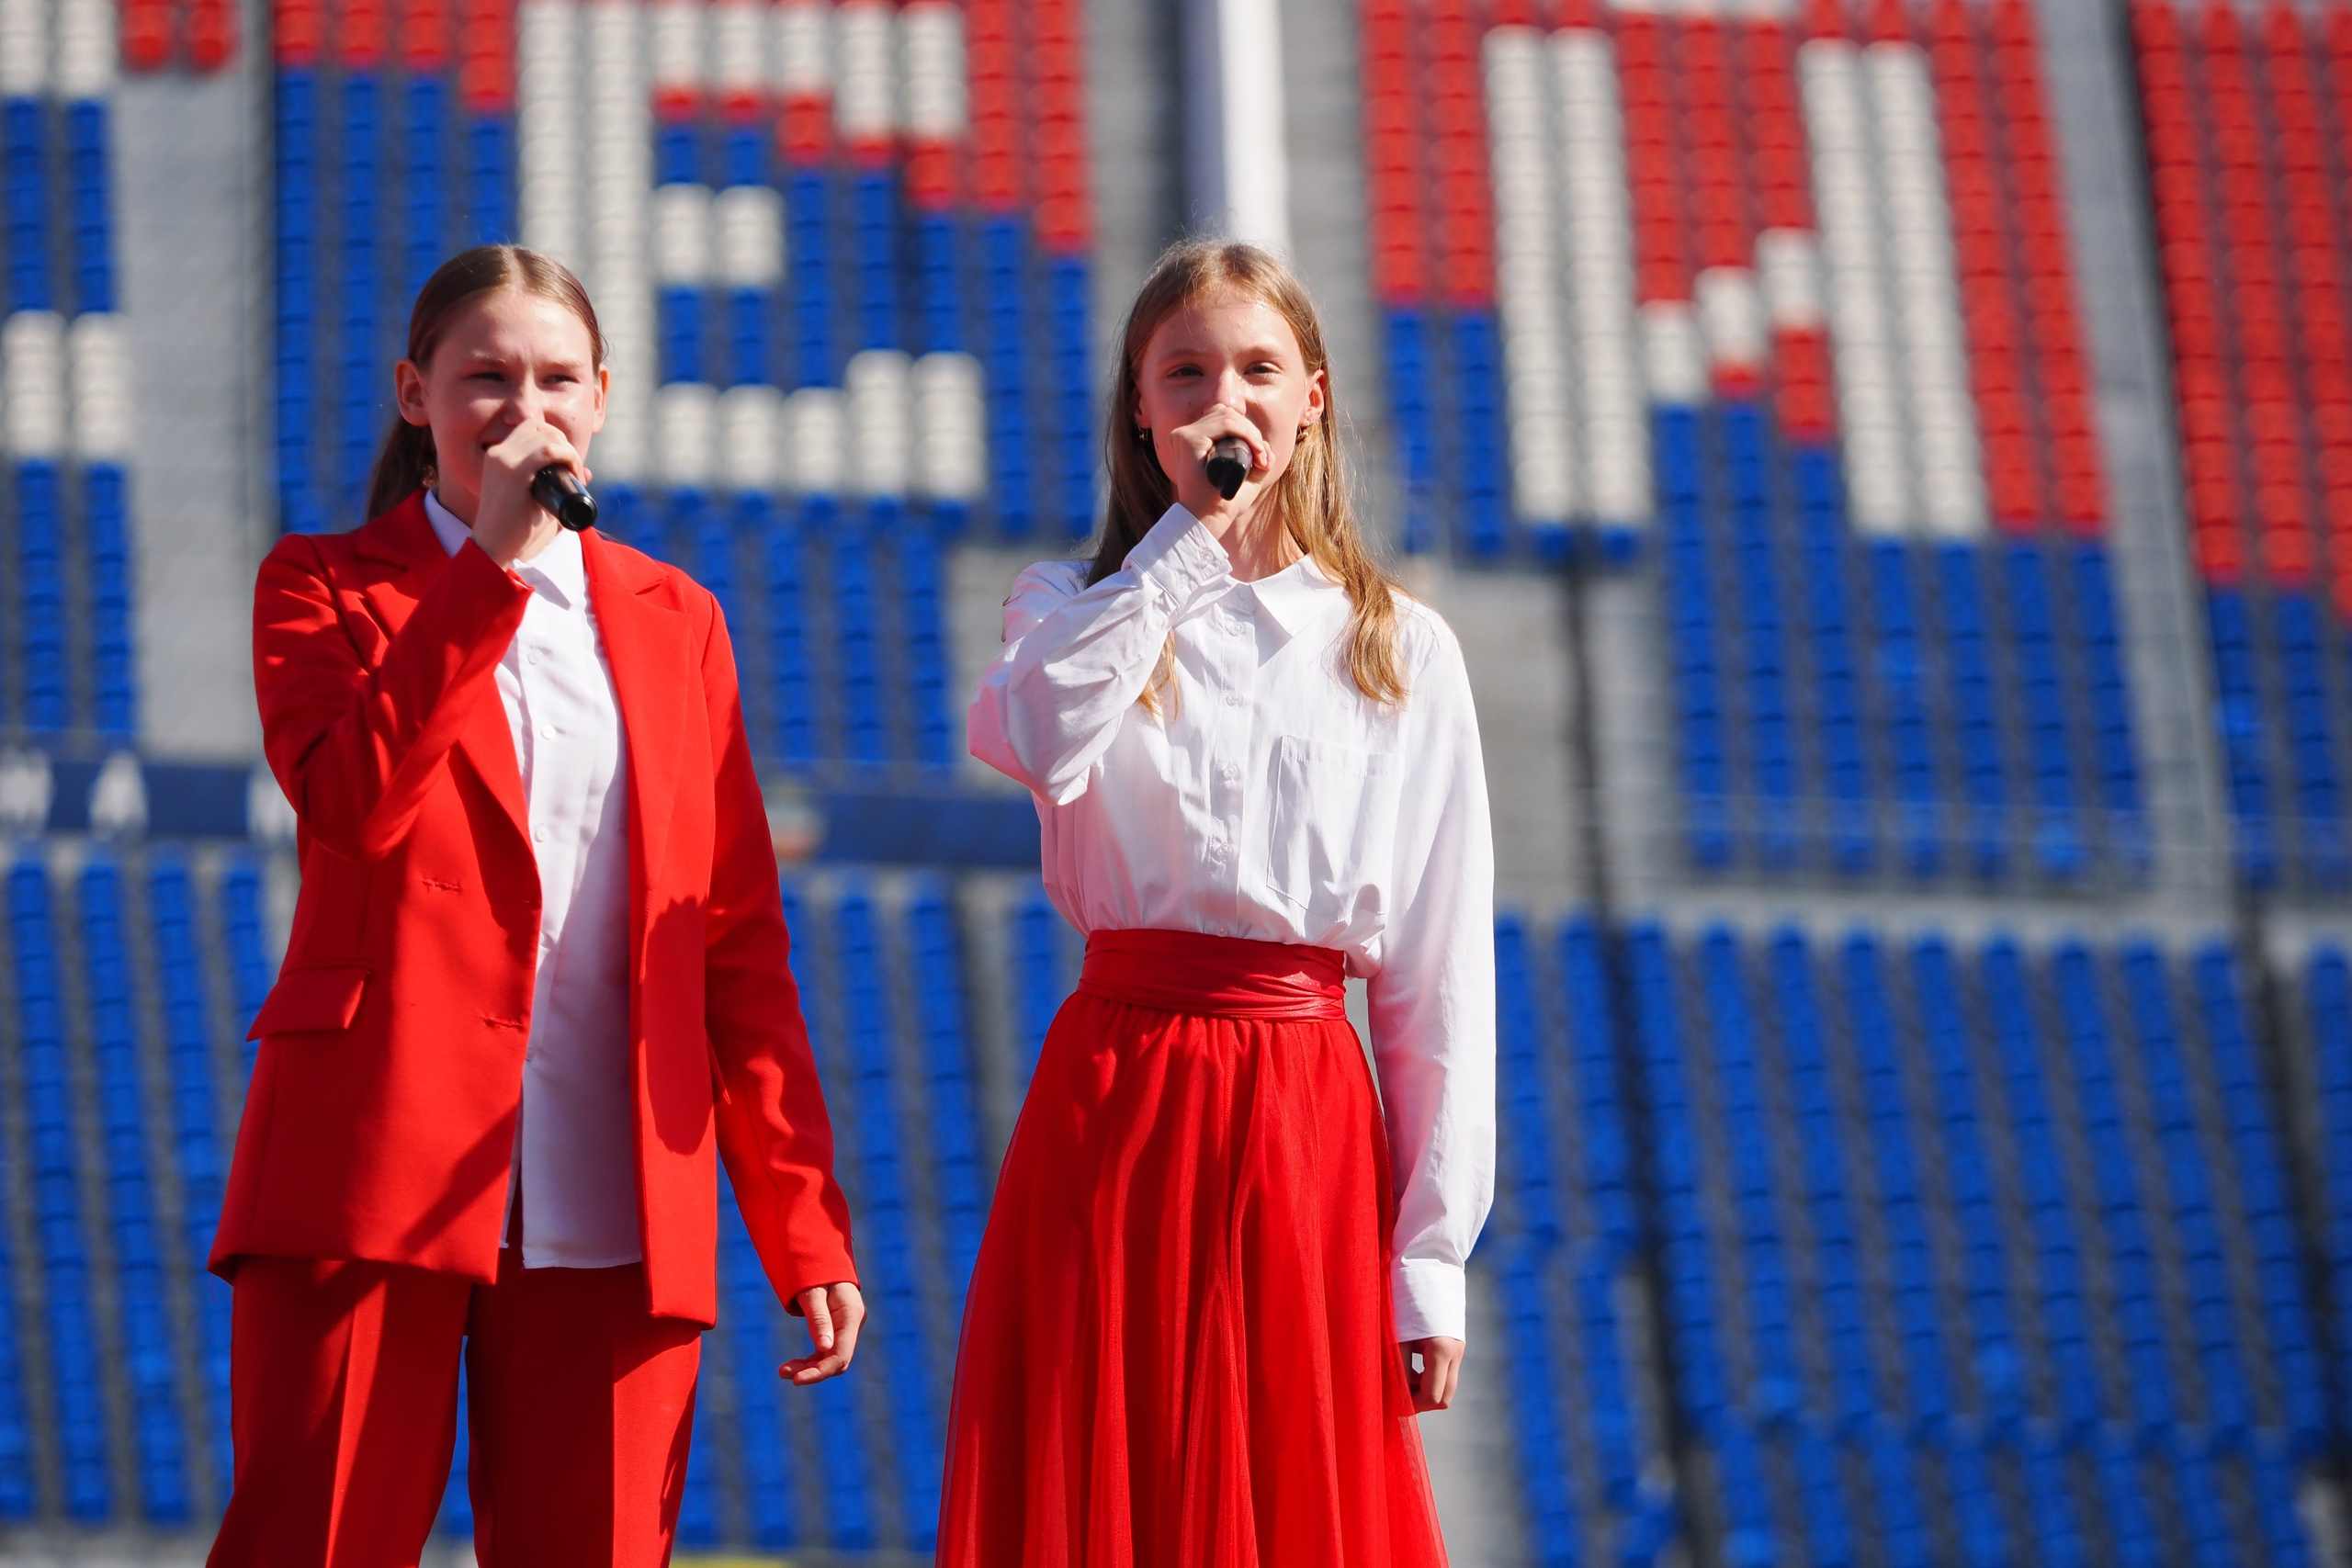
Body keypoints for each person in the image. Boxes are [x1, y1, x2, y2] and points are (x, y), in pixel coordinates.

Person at [209, 244, 864, 1566]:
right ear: (416, 394)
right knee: (316, 1540)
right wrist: (488, 577)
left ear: (605, 397)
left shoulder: (679, 620)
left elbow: (730, 939)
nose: (525, 412)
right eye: (485, 379)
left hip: (619, 1172)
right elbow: (352, 809)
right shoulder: (325, 583)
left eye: (557, 380)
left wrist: (801, 1224)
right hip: (371, 1156)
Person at [945, 239, 1496, 1564]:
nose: (1224, 399)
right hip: (1121, 1085)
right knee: (1103, 1475)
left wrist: (1428, 1256)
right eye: (1185, 371)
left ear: (1312, 397)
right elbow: (1032, 734)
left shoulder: (1400, 645)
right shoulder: (1072, 605)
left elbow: (1438, 975)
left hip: (1304, 1103)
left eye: (1258, 369)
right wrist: (1186, 546)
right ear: (1142, 407)